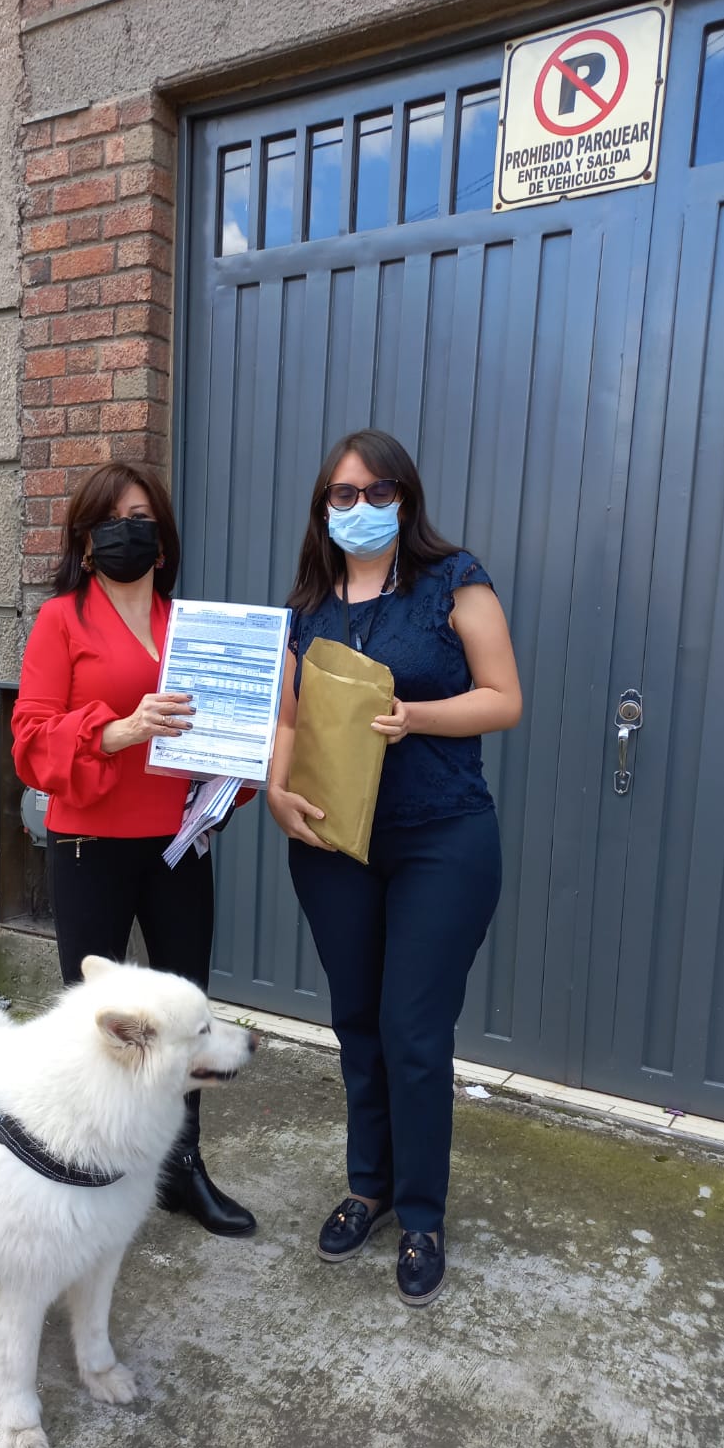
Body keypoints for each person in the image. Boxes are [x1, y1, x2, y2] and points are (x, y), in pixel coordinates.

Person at [267, 429, 521, 1305]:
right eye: (343, 494)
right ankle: (368, 1188)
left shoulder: (455, 581)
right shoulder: (310, 604)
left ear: (406, 499)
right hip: (335, 843)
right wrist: (276, 792)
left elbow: (504, 699)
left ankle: (420, 1214)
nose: (361, 507)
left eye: (379, 492)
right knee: (359, 1023)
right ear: (323, 508)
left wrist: (416, 717)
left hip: (441, 838)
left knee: (414, 1030)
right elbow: (290, 721)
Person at [10, 461, 256, 1238]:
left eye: (143, 517)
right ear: (86, 542)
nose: (129, 530)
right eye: (112, 519)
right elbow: (30, 742)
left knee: (185, 1015)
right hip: (91, 846)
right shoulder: (61, 622)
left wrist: (242, 755)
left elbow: (230, 729)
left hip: (180, 845)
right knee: (100, 1022)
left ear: (163, 539)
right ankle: (84, 1160)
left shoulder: (195, 627)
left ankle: (182, 1169)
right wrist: (119, 730)